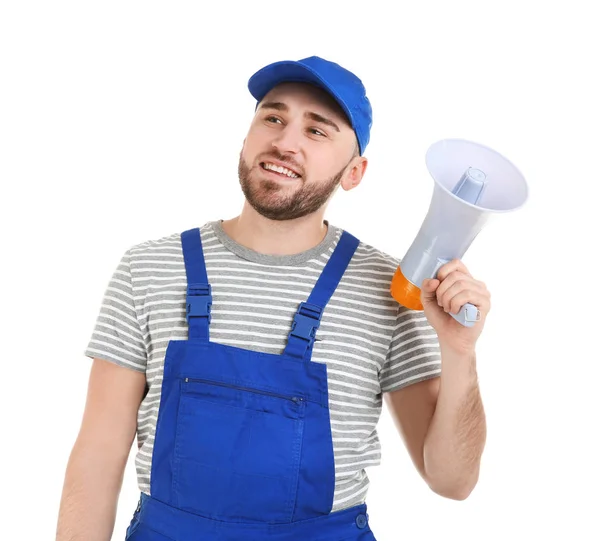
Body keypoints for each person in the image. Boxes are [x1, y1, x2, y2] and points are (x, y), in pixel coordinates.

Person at [56, 56, 490, 541]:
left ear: (354, 172)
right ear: (246, 137)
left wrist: (460, 353)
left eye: (317, 131)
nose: (285, 142)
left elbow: (453, 481)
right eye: (273, 118)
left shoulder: (390, 291)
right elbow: (98, 455)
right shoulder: (149, 269)